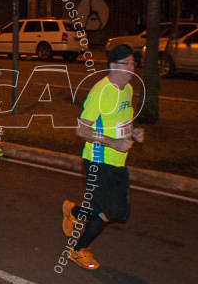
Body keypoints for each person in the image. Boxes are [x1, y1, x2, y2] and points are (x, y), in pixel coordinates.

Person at [61, 44, 144, 270]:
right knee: (106, 212)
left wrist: (132, 132)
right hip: (98, 160)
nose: (132, 68)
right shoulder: (101, 91)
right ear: (113, 65)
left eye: (133, 63)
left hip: (117, 161)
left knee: (114, 210)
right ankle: (78, 250)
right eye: (126, 63)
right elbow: (82, 130)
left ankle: (73, 211)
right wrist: (114, 143)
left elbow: (121, 121)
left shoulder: (127, 89)